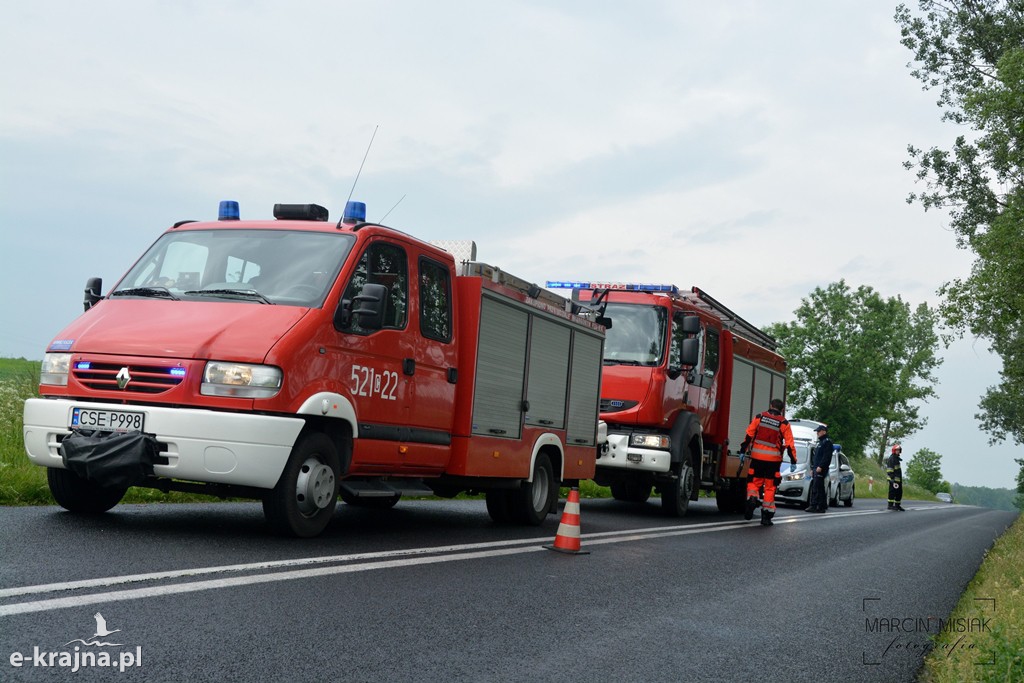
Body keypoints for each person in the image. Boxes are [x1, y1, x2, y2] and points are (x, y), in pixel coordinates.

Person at [738, 398, 797, 526]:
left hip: (757, 458)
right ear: (782, 409)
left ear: (770, 405)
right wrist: (793, 461)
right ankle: (766, 517)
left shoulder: (760, 417)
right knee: (770, 487)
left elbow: (749, 434)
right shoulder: (784, 423)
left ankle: (752, 499)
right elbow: (789, 444)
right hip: (773, 462)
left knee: (754, 482)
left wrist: (743, 450)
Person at [806, 424, 834, 512]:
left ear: (824, 431)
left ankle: (814, 505)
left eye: (819, 431)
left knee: (817, 487)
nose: (817, 433)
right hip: (816, 468)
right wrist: (812, 467)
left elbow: (826, 457)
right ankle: (822, 506)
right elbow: (816, 457)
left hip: (820, 468)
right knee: (819, 487)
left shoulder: (827, 442)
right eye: (817, 431)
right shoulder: (819, 443)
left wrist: (821, 466)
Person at [886, 443, 906, 511]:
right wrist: (892, 480)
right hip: (893, 480)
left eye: (899, 450)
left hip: (898, 480)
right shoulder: (892, 459)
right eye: (897, 450)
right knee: (892, 492)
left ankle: (897, 505)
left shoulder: (896, 459)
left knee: (899, 493)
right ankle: (890, 505)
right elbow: (890, 470)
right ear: (894, 450)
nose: (898, 451)